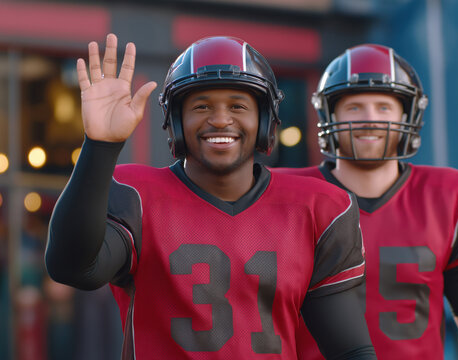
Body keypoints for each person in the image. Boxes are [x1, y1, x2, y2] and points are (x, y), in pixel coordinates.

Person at [44, 33, 377, 359]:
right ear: (177, 120)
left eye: (237, 105)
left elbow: (348, 348)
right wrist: (100, 146)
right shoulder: (138, 198)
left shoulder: (314, 208)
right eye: (202, 106)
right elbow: (74, 268)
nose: (220, 119)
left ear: (264, 119)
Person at [274, 44, 458, 359]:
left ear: (406, 116)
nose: (370, 119)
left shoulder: (452, 197)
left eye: (384, 107)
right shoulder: (287, 193)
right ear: (331, 114)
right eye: (354, 107)